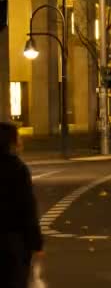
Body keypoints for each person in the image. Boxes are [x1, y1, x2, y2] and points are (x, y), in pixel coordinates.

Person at [0, 122, 43, 288]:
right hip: (12, 241)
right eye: (18, 137)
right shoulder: (17, 168)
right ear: (10, 141)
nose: (20, 141)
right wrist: (36, 242)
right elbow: (27, 207)